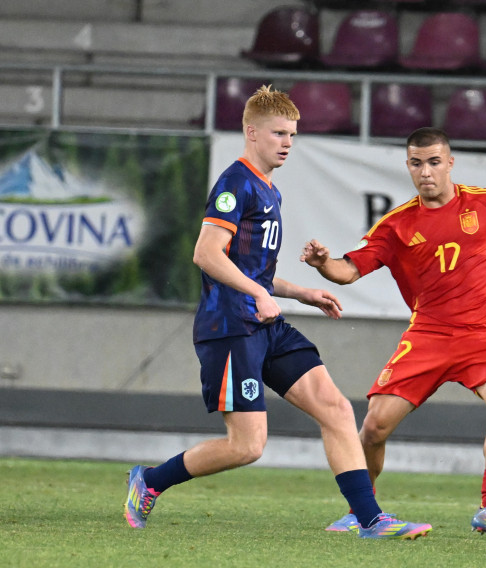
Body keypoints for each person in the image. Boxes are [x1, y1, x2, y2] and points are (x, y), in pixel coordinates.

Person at [123, 85, 431, 540]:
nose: (287, 142)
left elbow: (255, 273)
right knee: (247, 447)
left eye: (292, 134)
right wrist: (258, 293)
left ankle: (370, 519)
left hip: (266, 324)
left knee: (336, 409)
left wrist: (301, 292)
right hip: (230, 327)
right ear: (251, 133)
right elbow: (207, 254)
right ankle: (149, 481)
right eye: (278, 133)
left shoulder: (271, 190)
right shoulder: (235, 183)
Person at [301, 127, 486, 537]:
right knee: (374, 427)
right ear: (407, 166)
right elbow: (349, 270)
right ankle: (363, 511)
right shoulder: (397, 226)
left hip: (484, 333)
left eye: (433, 162)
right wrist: (323, 263)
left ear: (449, 163)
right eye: (416, 163)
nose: (425, 172)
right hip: (427, 335)